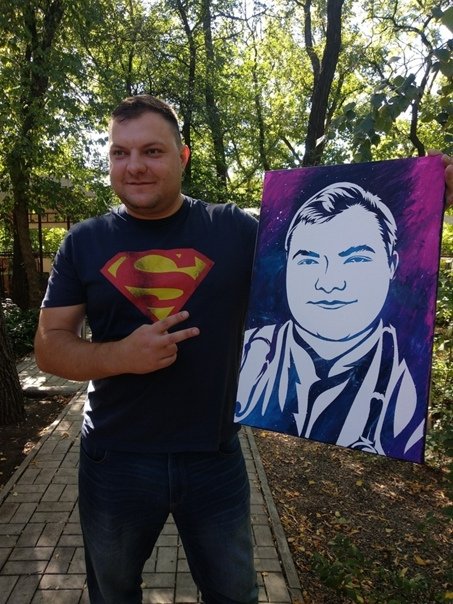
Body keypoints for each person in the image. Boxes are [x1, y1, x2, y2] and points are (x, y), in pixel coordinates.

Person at [34, 95, 259, 604]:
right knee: (112, 594)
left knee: (234, 594)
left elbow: (324, 246)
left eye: (152, 151)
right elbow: (49, 348)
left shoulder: (235, 230)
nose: (134, 165)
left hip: (215, 454)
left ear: (183, 156)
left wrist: (419, 195)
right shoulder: (84, 242)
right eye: (120, 152)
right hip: (115, 458)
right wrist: (121, 356)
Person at [235, 182, 429, 460]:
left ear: (391, 266)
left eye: (355, 259)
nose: (329, 283)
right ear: (287, 266)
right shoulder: (249, 354)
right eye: (309, 261)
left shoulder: (409, 391)